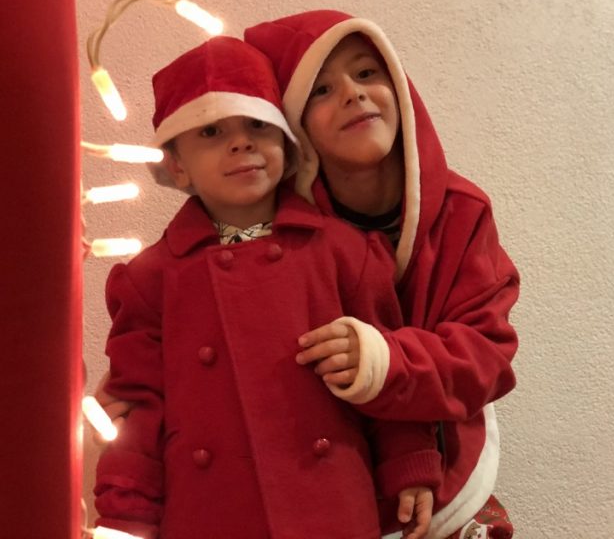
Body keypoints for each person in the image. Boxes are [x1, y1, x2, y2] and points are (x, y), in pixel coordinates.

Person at [92, 35, 441, 539]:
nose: (241, 143)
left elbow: (388, 374)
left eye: (257, 125)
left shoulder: (344, 252)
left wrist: (411, 464)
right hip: (208, 515)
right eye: (211, 131)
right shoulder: (150, 280)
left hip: (330, 509)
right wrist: (123, 516)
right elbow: (137, 411)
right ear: (177, 165)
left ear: (287, 145)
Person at [242, 10, 520, 539]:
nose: (353, 93)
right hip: (318, 484)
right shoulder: (275, 231)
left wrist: (386, 361)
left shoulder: (463, 213)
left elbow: (485, 354)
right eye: (322, 89)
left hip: (446, 482)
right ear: (294, 124)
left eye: (367, 72)